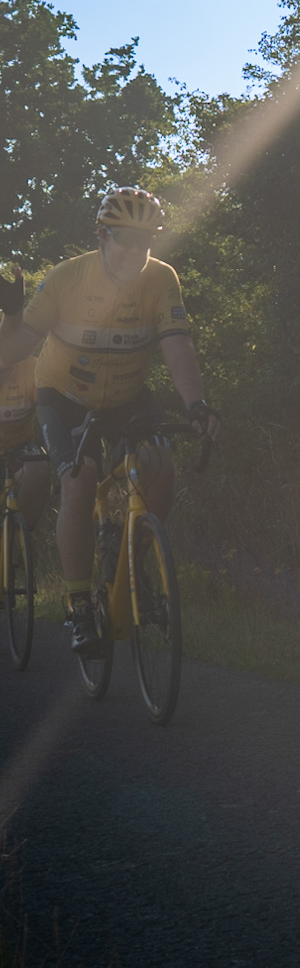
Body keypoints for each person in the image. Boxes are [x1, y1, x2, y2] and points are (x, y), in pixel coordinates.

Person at [0, 187, 220, 654]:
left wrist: (196, 405)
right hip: (62, 396)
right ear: (101, 235)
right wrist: (13, 317)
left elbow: (177, 343)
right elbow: (14, 351)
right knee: (79, 482)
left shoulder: (161, 279)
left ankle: (130, 559)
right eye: (126, 239)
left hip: (126, 395)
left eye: (147, 240)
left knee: (160, 466)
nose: (137, 252)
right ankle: (79, 605)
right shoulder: (66, 278)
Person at [0, 353, 50, 532]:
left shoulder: (32, 368)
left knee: (39, 469)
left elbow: (48, 418)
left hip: (19, 446)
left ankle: (22, 535)